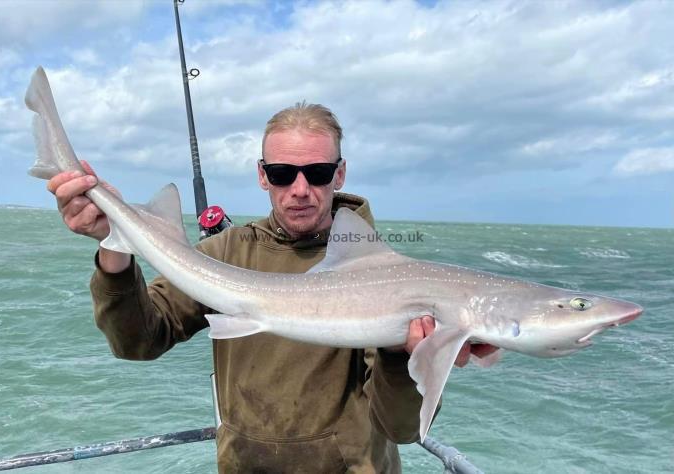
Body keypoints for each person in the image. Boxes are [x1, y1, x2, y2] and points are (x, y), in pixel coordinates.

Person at [48, 103, 497, 472]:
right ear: (263, 175)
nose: (300, 189)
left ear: (340, 175)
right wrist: (114, 244)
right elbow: (137, 341)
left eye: (317, 172)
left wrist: (406, 355)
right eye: (283, 173)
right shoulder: (224, 254)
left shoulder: (388, 277)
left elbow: (400, 429)